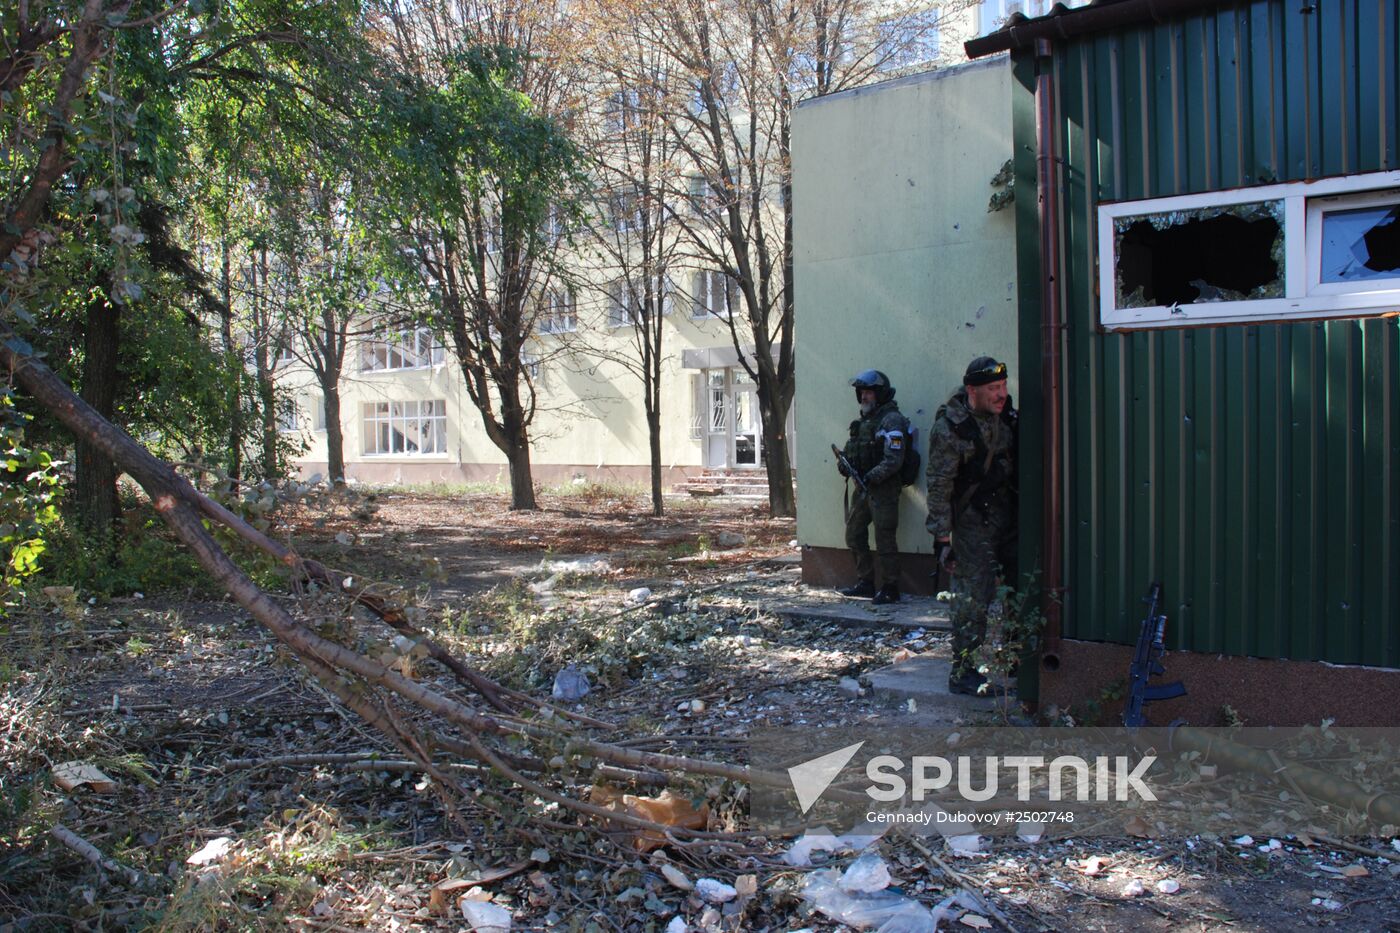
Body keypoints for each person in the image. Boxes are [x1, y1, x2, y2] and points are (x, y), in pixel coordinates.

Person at [925, 356, 1018, 695]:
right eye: (993, 388)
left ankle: (1015, 656)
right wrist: (942, 537)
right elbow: (939, 485)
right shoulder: (951, 429)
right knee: (972, 598)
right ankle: (963, 671)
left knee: (1015, 587)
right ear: (972, 391)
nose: (1001, 394)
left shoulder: (1005, 416)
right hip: (971, 525)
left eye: (1003, 386)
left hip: (1006, 518)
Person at [837, 370, 910, 605]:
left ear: (880, 394)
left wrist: (871, 477)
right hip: (863, 488)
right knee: (854, 533)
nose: (864, 397)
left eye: (868, 392)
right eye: (862, 392)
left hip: (884, 489)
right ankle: (866, 582)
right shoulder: (863, 423)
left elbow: (894, 460)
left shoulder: (892, 420)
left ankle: (890, 587)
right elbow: (852, 451)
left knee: (884, 538)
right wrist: (844, 465)